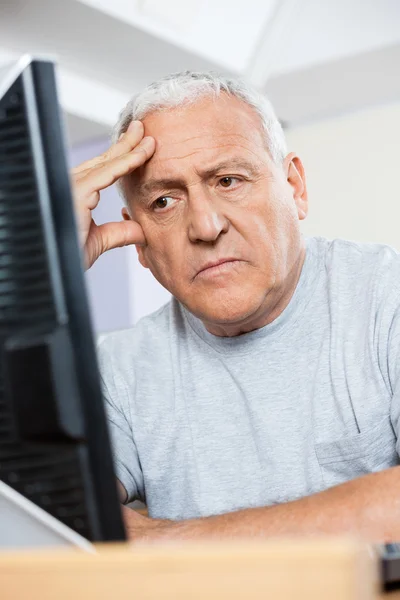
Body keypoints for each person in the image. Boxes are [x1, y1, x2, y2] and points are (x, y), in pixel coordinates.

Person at [72, 72, 400, 542]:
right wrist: (33, 269)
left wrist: (162, 541)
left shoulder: (386, 297)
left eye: (229, 180)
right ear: (138, 240)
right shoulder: (119, 369)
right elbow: (47, 522)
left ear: (295, 187)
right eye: (164, 200)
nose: (205, 226)